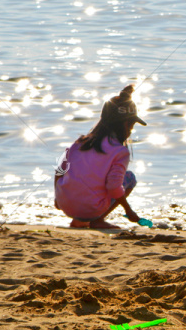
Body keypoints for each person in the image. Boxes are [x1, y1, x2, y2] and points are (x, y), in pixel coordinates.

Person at [54, 85, 147, 229]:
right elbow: (113, 186)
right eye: (131, 126)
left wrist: (57, 199)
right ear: (125, 124)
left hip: (64, 204)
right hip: (92, 208)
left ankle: (77, 220)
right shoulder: (120, 151)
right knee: (130, 178)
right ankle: (97, 220)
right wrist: (128, 210)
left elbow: (59, 170)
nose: (131, 131)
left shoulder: (80, 142)